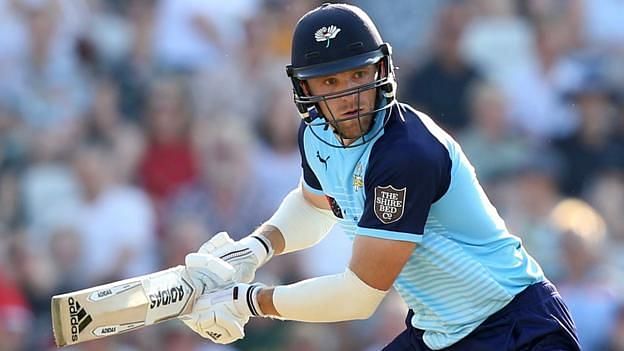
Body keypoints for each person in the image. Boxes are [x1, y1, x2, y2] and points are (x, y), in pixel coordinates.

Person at [179, 3, 581, 350]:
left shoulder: (407, 152)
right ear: (306, 88)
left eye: (358, 75)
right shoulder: (316, 134)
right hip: (439, 333)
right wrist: (256, 248)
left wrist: (250, 301)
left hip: (515, 327)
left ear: (382, 70)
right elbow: (314, 204)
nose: (349, 95)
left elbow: (359, 296)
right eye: (330, 82)